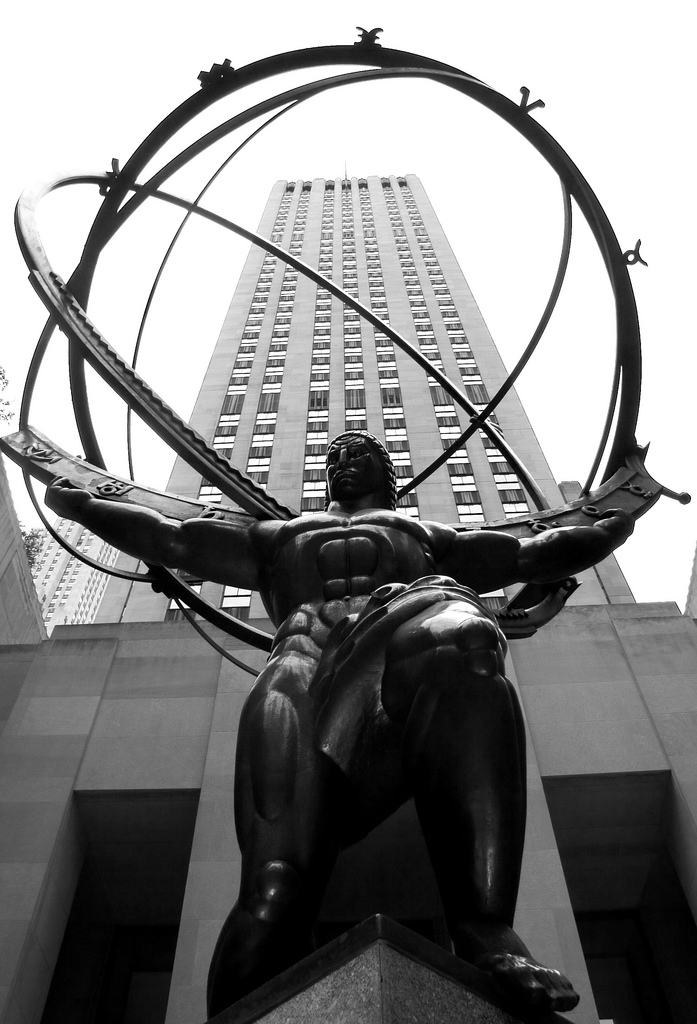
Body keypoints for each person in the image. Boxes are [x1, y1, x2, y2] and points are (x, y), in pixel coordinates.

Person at [46, 430, 634, 1017]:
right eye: (334, 458)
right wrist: (81, 503)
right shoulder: (277, 536)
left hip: (403, 645)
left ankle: (486, 930)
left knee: (465, 639)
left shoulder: (429, 537)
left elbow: (533, 554)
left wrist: (619, 517)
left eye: (359, 455)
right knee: (275, 894)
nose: (343, 463)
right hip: (301, 669)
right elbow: (169, 538)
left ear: (390, 475)